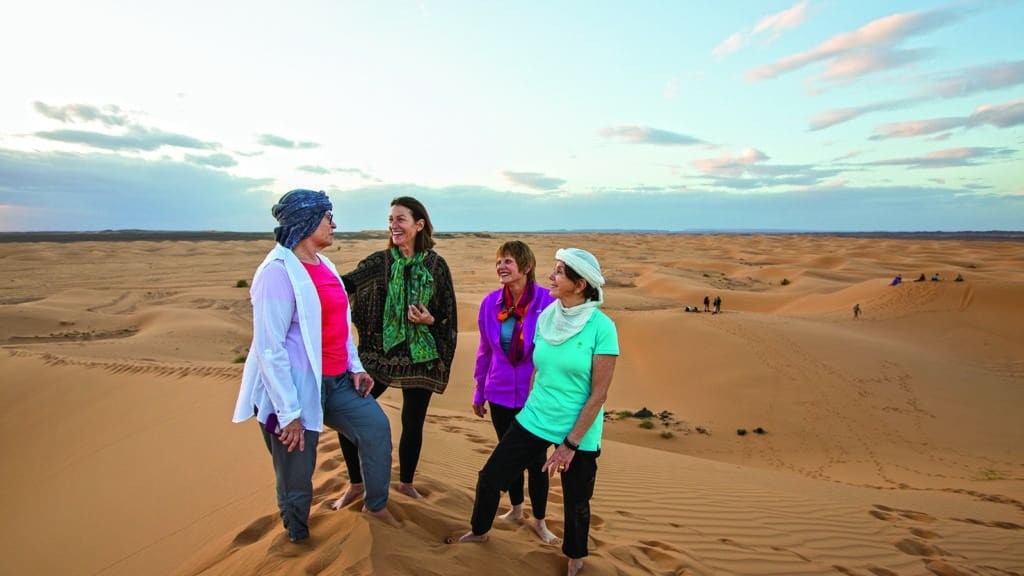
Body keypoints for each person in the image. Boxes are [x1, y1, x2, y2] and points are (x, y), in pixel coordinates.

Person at [232, 189, 394, 543]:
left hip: (337, 381)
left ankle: (376, 507)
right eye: (327, 217)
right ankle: (297, 539)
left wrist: (355, 366)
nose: (334, 224)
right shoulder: (275, 273)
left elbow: (340, 325)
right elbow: (269, 347)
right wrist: (288, 412)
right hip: (293, 390)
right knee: (297, 474)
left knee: (376, 429)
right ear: (306, 222)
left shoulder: (326, 266)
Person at [450, 248, 619, 576]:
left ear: (580, 284)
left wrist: (569, 444)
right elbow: (537, 372)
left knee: (576, 501)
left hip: (580, 429)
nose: (551, 277)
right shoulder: (546, 318)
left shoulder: (602, 328)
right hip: (536, 417)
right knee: (490, 478)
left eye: (559, 272)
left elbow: (599, 393)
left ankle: (575, 557)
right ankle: (480, 530)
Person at [332, 196, 457, 505]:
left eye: (400, 219)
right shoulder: (379, 262)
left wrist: (430, 319)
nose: (393, 225)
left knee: (413, 421)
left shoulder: (436, 265)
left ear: (419, 225)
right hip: (378, 353)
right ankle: (356, 483)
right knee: (350, 411)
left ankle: (406, 483)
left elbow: (447, 312)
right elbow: (343, 285)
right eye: (390, 219)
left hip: (421, 355)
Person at [473, 241, 557, 543]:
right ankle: (517, 508)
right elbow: (484, 350)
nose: (501, 267)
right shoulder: (489, 303)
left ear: (526, 266)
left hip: (535, 399)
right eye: (499, 262)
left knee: (536, 462)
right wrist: (478, 391)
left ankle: (540, 521)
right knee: (509, 458)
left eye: (508, 261)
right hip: (498, 393)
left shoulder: (548, 303)